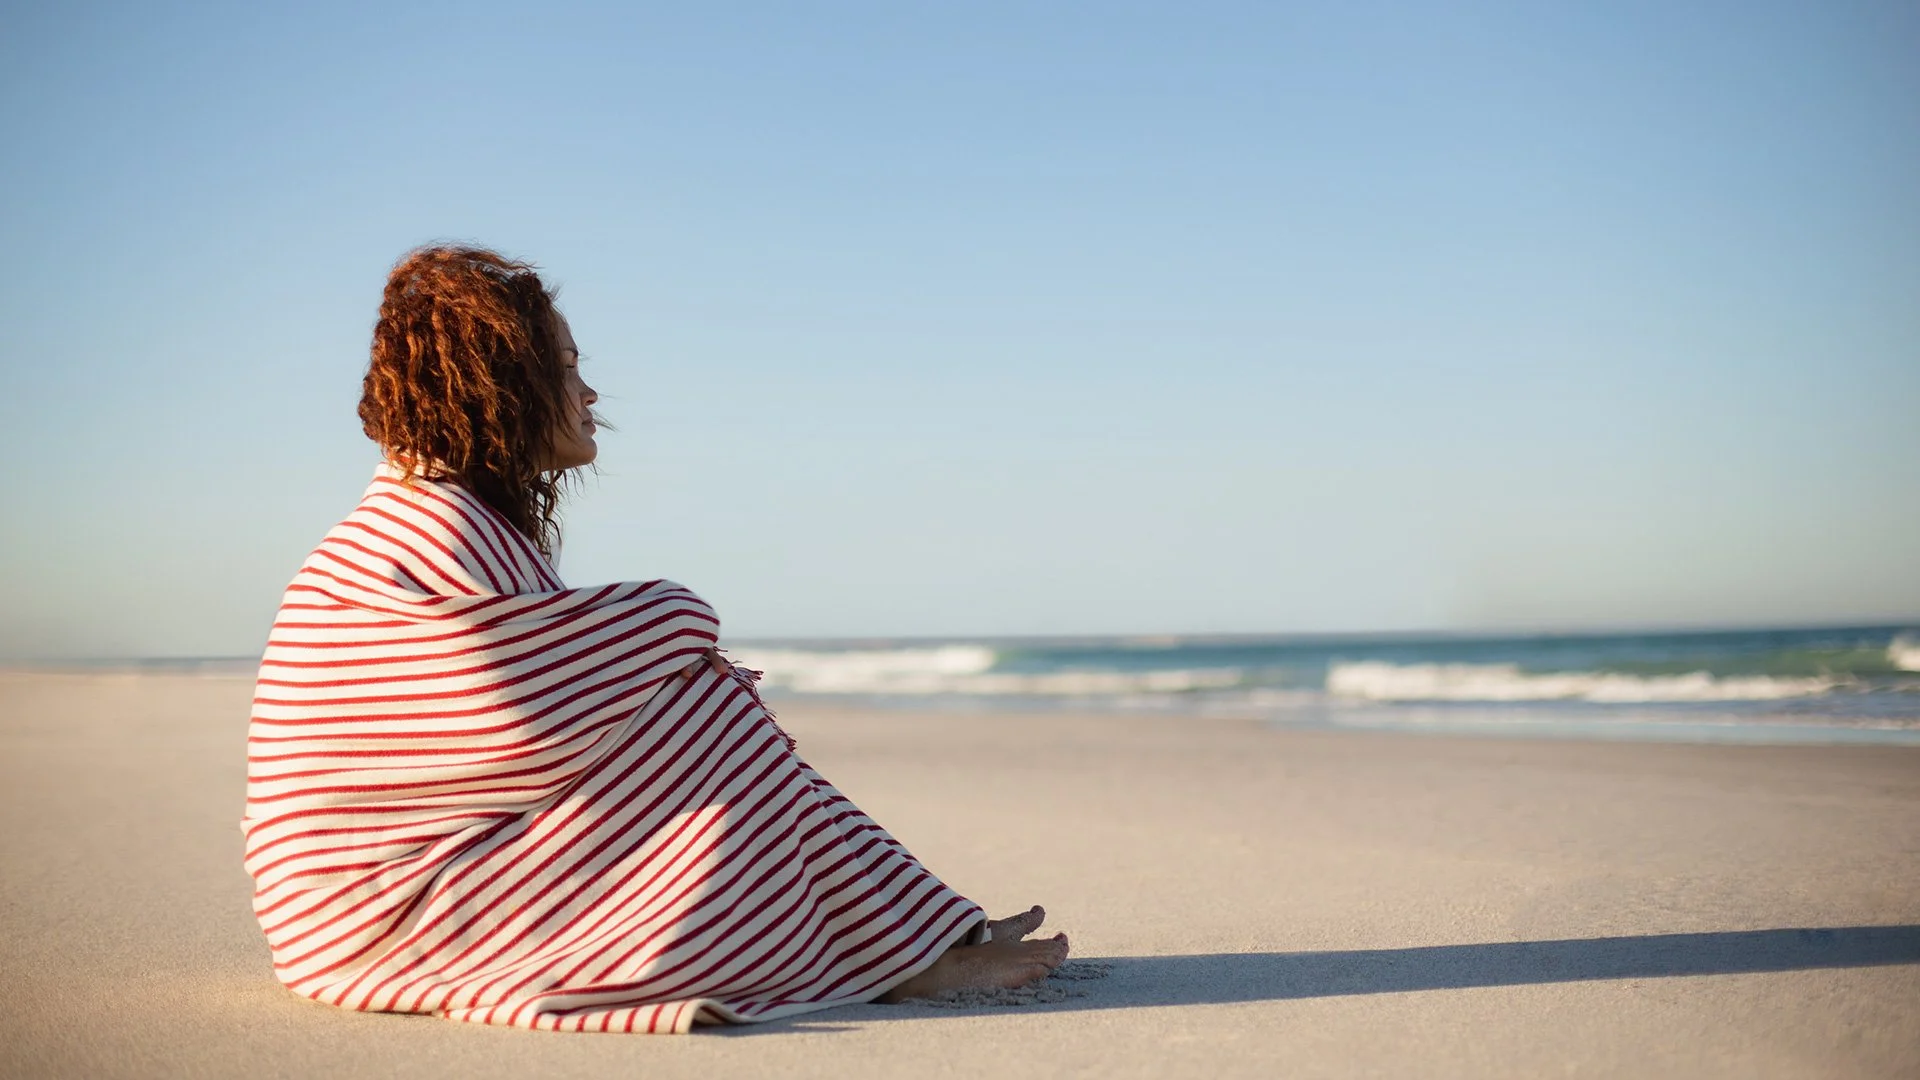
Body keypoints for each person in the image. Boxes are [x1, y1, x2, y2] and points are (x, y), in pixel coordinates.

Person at [241, 245, 1068, 1033]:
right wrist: (675, 616)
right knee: (700, 706)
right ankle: (898, 951)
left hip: (362, 907)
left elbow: (536, 715)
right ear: (504, 380)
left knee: (688, 701)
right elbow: (513, 719)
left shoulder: (439, 512)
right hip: (374, 917)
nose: (589, 393)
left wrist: (656, 643)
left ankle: (905, 928)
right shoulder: (432, 524)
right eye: (567, 369)